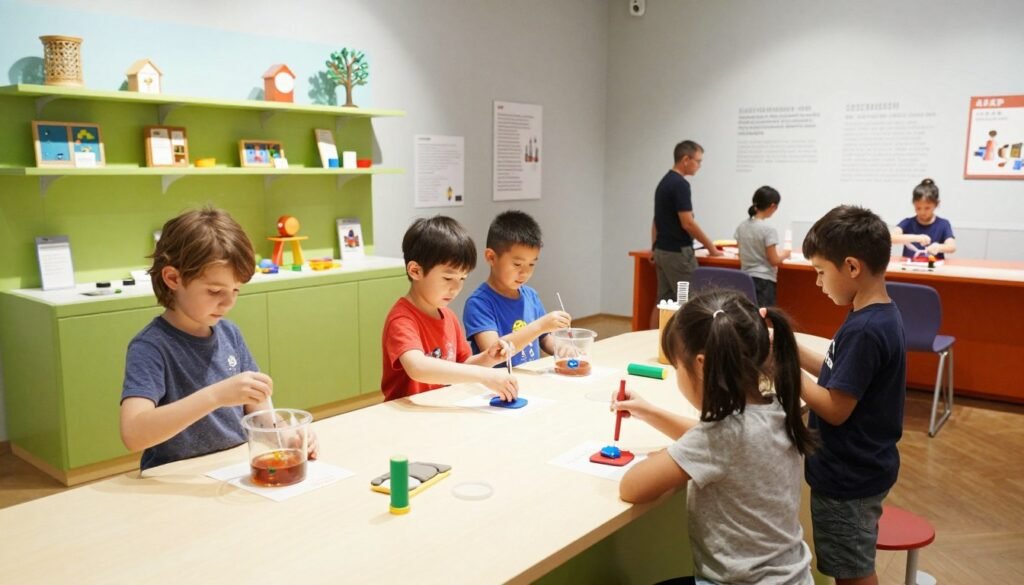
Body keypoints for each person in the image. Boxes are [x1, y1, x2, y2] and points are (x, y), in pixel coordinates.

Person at [616, 289, 816, 585]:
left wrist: (664, 456)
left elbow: (631, 487)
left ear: (701, 365)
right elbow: (723, 447)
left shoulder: (721, 436)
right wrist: (651, 412)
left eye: (677, 367)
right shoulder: (776, 407)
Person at [120, 207, 318, 471]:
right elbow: (133, 433)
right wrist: (216, 396)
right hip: (175, 476)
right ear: (173, 278)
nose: (228, 302)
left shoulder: (230, 333)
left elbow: (260, 416)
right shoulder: (151, 346)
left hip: (232, 467)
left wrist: (287, 434)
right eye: (214, 291)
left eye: (235, 290)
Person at [798, 205, 907, 585]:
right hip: (861, 468)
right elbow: (837, 374)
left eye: (820, 272)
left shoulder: (864, 330)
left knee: (853, 574)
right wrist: (789, 351)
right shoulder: (875, 313)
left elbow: (835, 408)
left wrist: (785, 375)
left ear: (852, 267)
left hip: (848, 477)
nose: (817, 283)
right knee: (851, 565)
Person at [381, 215, 518, 401]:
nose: (456, 289)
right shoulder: (402, 319)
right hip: (408, 413)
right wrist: (484, 376)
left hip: (441, 406)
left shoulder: (448, 316)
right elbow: (418, 367)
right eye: (447, 278)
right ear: (415, 271)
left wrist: (488, 358)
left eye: (462, 279)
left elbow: (462, 364)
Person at [463, 210, 572, 366]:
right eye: (517, 264)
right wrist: (540, 325)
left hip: (530, 381)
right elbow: (494, 351)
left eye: (532, 264)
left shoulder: (531, 296)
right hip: (499, 385)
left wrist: (562, 348)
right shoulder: (479, 303)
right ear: (491, 257)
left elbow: (544, 338)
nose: (525, 272)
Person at [650, 140, 723, 328]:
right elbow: (688, 223)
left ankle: (650, 340)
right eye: (698, 161)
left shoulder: (664, 182)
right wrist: (712, 249)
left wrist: (654, 247)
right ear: (685, 159)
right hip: (678, 254)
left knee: (663, 302)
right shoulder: (680, 185)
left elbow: (656, 221)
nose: (699, 165)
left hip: (662, 251)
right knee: (693, 302)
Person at [734, 185, 791, 307]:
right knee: (765, 317)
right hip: (764, 280)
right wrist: (786, 254)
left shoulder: (741, 226)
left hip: (744, 279)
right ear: (773, 206)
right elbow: (774, 260)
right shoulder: (768, 230)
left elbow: (740, 254)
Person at [890, 178, 956, 260]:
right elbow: (891, 238)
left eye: (927, 208)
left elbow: (952, 247)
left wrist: (939, 247)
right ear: (913, 204)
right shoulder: (908, 222)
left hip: (934, 269)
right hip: (910, 269)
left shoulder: (943, 224)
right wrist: (916, 238)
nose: (922, 212)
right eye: (918, 208)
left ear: (937, 204)